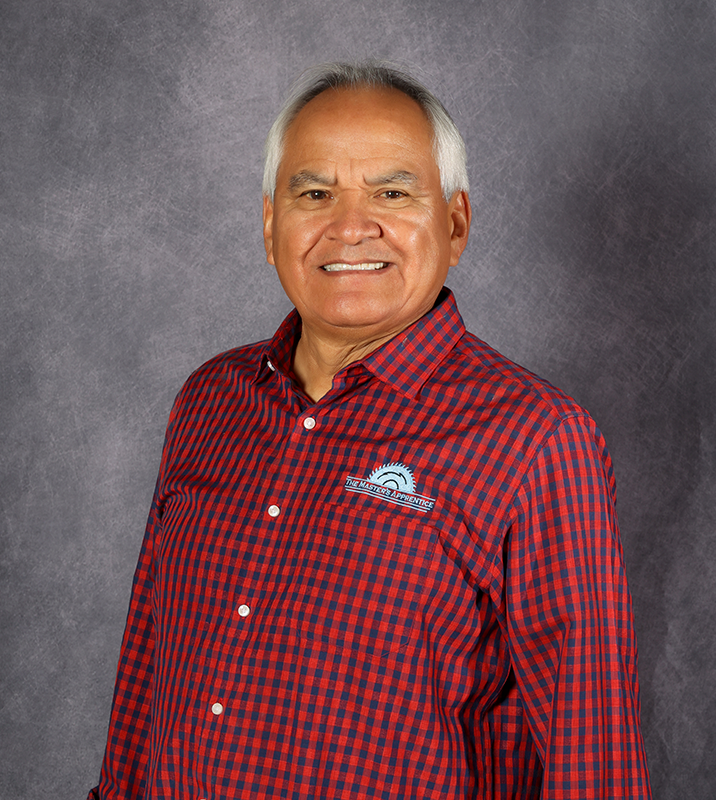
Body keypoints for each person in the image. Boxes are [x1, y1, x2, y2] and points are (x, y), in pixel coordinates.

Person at [88, 62, 652, 799]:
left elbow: (594, 753)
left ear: (455, 223)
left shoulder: (538, 440)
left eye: (392, 192)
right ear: (269, 226)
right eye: (314, 193)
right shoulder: (208, 401)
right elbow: (144, 670)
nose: (350, 227)